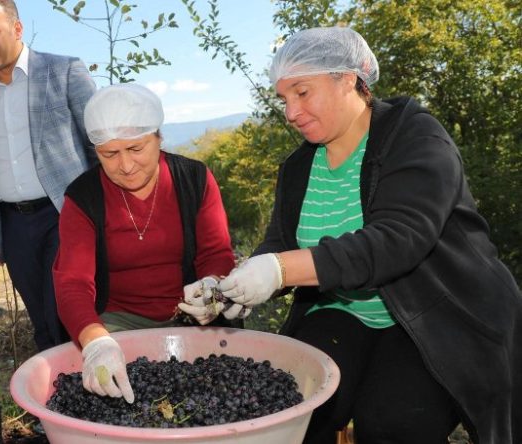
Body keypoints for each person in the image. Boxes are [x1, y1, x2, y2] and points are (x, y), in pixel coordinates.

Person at [197, 26, 522, 443]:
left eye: (302, 92)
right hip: (341, 311)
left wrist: (278, 270)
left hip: (430, 315)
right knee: (293, 406)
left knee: (394, 423)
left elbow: (397, 240)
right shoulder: (298, 168)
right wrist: (233, 288)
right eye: (284, 98)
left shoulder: (414, 136)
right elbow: (280, 243)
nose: (290, 112)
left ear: (347, 78)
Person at [53, 83, 245, 403]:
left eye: (136, 149)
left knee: (217, 393)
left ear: (159, 137)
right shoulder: (83, 198)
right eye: (109, 154)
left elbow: (215, 252)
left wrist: (211, 289)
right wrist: (96, 341)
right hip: (118, 320)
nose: (125, 166)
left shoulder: (194, 179)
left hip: (193, 313)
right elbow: (72, 282)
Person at [0, 0, 97, 351]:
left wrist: (104, 213)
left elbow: (97, 145)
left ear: (17, 29)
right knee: (40, 318)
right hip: (13, 225)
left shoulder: (65, 71)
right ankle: (52, 397)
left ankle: (84, 394)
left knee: (65, 312)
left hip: (65, 215)